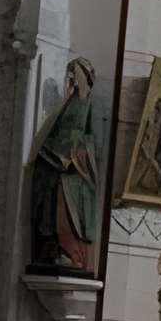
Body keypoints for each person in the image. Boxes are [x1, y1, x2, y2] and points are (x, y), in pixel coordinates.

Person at [27, 58, 101, 276]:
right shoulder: (70, 102)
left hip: (74, 169)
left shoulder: (86, 104)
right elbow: (59, 132)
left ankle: (69, 252)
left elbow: (86, 138)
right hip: (59, 161)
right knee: (45, 183)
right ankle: (51, 245)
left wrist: (68, 153)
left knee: (61, 196)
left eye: (73, 74)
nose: (70, 79)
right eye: (68, 74)